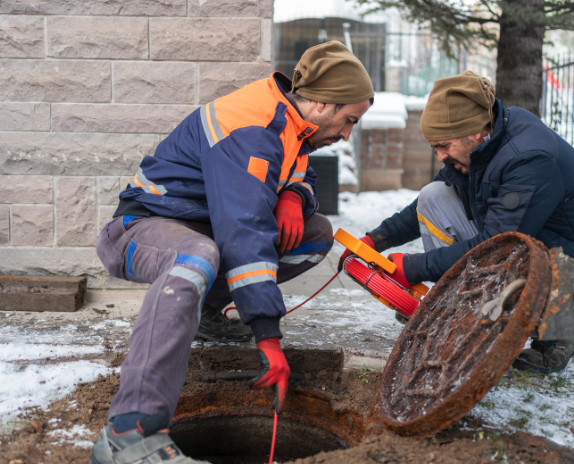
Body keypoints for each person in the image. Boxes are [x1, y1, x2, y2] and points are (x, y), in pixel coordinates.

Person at [90, 41, 374, 464]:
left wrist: (294, 195)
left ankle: (207, 314)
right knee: (197, 256)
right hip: (138, 229)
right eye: (349, 120)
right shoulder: (251, 129)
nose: (348, 133)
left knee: (315, 234)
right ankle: (129, 431)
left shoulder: (293, 124)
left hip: (203, 228)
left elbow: (297, 171)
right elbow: (244, 231)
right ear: (320, 104)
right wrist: (267, 333)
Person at [340, 71, 574, 375]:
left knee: (499, 263)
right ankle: (461, 311)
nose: (439, 155)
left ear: (474, 132)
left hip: (572, 271)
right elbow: (430, 204)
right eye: (434, 147)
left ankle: (559, 331)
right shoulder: (482, 146)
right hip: (530, 245)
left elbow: (498, 243)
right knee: (433, 196)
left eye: (443, 145)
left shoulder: (529, 159)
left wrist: (413, 267)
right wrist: (377, 238)